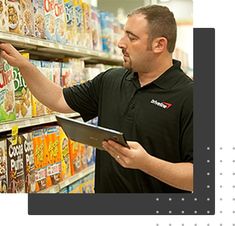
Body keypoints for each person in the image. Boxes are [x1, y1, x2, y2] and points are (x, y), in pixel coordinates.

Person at [0, 5, 193, 193]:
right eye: (124, 33)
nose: (120, 43)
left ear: (159, 44)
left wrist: (146, 163)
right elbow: (59, 98)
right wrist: (24, 65)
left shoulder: (190, 96)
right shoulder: (111, 80)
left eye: (131, 37)